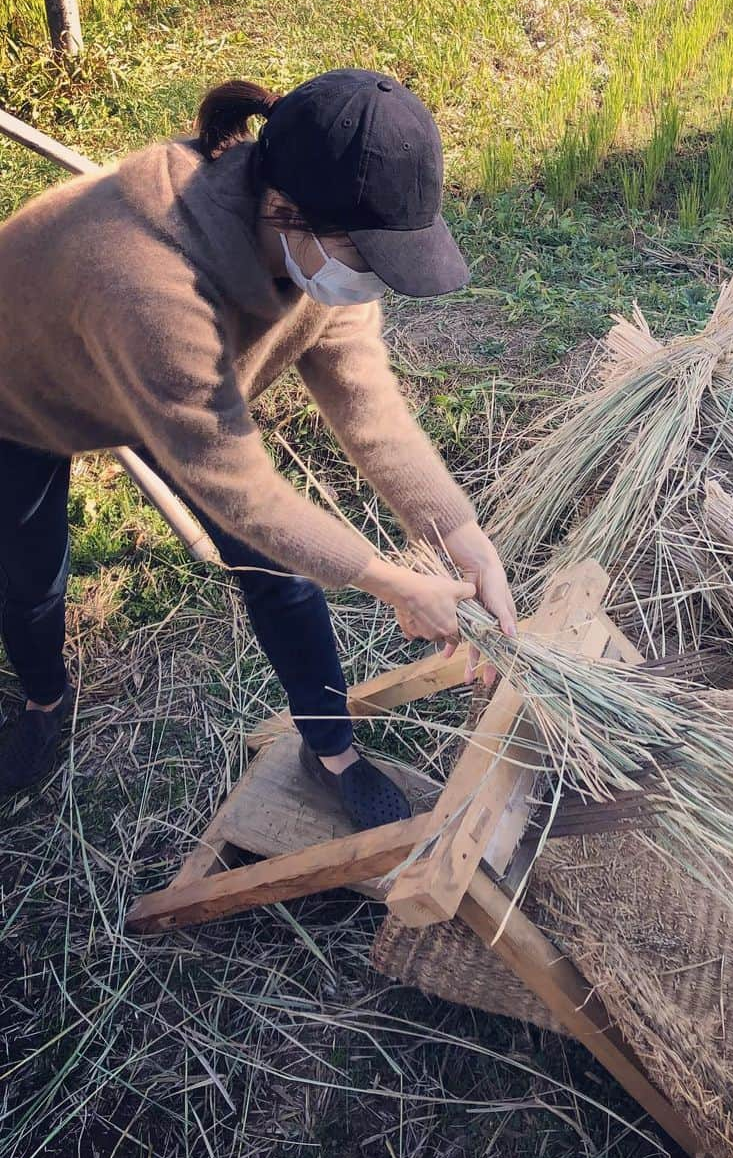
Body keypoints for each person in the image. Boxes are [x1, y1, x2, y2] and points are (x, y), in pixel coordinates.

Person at [0, 68, 517, 829]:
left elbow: (367, 405)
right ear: (285, 211)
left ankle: (331, 751)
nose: (370, 280)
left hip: (160, 378)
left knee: (279, 573)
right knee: (29, 572)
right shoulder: (147, 282)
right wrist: (394, 583)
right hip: (22, 386)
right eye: (364, 256)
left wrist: (457, 532)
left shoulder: (311, 253)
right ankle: (46, 697)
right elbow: (237, 486)